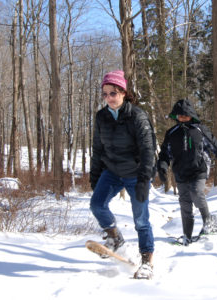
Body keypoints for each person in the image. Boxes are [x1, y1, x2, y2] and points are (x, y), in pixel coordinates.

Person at [89, 70, 156, 279]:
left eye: (113, 93)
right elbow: (98, 149)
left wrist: (145, 180)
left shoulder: (137, 116)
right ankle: (115, 237)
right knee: (97, 205)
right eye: (105, 94)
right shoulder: (101, 117)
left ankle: (147, 261)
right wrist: (95, 176)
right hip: (112, 171)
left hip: (136, 174)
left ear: (123, 93)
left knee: (141, 220)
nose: (109, 98)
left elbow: (148, 150)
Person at [157, 99, 217, 246]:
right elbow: (164, 154)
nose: (183, 118)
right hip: (180, 173)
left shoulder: (201, 130)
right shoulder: (172, 133)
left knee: (196, 193)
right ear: (176, 117)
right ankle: (187, 236)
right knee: (185, 204)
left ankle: (209, 223)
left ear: (191, 115)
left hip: (199, 170)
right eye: (180, 116)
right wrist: (162, 167)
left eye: (186, 115)